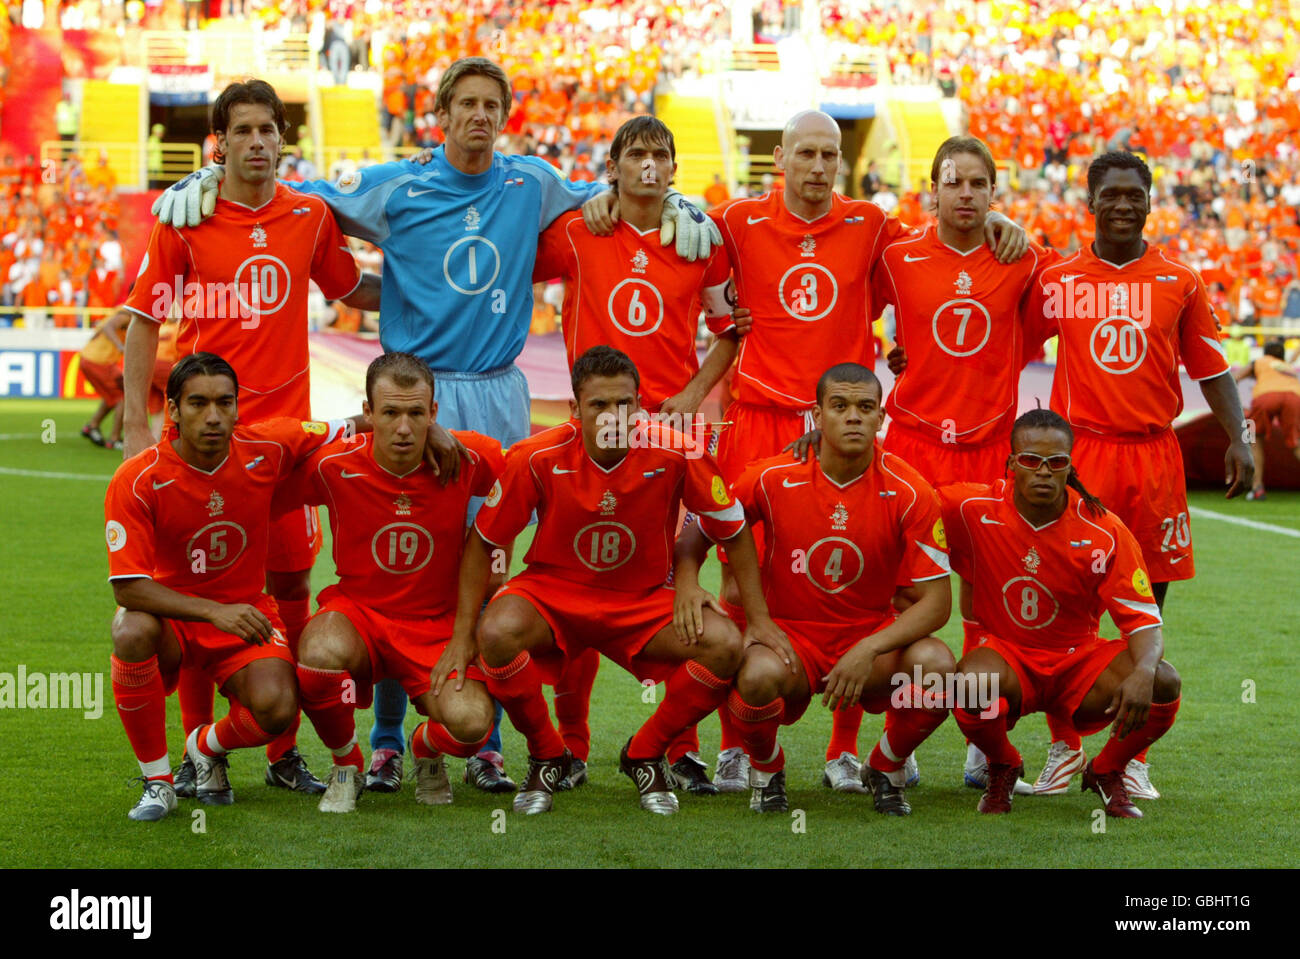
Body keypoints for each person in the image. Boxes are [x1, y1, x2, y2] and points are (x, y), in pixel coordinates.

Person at [151, 57, 721, 794]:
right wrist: (209, 177)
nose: (480, 116)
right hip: (416, 398)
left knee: (488, 565)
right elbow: (305, 198)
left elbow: (619, 194)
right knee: (406, 572)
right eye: (467, 105)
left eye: (493, 105)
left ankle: (483, 740)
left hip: (497, 392)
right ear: (441, 117)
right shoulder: (399, 186)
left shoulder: (534, 182)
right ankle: (386, 738)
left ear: (505, 115)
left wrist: (683, 208)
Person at [701, 110, 1025, 792]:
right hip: (759, 418)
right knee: (738, 582)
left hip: (841, 419)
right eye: (807, 154)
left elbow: (933, 257)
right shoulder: (734, 220)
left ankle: (845, 750)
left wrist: (996, 224)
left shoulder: (873, 226)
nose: (820, 167)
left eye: (830, 155)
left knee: (866, 583)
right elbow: (686, 259)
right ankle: (735, 745)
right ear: (780, 160)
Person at [119, 79, 378, 797]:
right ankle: (207, 758)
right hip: (203, 444)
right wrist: (139, 423)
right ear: (220, 143)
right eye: (244, 131)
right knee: (201, 588)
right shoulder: (187, 219)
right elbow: (144, 316)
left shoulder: (310, 215)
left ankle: (281, 751)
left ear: (282, 141)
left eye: (270, 130)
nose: (259, 142)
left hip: (285, 447)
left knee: (290, 582)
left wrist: (456, 292)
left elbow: (352, 289)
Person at [1022, 152, 1251, 800]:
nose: (1123, 204)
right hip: (1082, 458)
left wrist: (1242, 436)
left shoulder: (1180, 279)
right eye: (1111, 193)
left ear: (1151, 200)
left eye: (1135, 193)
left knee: (1146, 607)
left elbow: (1212, 368)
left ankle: (1130, 752)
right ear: (1089, 199)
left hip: (1154, 457)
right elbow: (1006, 343)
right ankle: (1065, 744)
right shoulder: (1059, 277)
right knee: (1071, 614)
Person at [454, 346, 768, 815]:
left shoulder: (677, 450)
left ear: (640, 405)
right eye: (598, 404)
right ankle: (546, 754)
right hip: (553, 595)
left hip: (640, 600)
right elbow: (483, 541)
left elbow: (734, 529)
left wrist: (758, 621)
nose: (613, 415)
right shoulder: (535, 456)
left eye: (624, 403)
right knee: (497, 631)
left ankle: (645, 753)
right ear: (575, 409)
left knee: (725, 644)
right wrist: (462, 637)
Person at [531, 115, 743, 794]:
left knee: (669, 573)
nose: (648, 166)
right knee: (575, 581)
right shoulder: (578, 230)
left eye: (660, 155)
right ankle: (570, 745)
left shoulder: (701, 242)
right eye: (636, 155)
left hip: (666, 435)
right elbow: (505, 256)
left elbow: (730, 331)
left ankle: (674, 747)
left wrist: (692, 394)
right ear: (614, 166)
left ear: (674, 169)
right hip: (589, 435)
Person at [675, 363, 953, 815]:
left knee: (938, 666)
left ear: (881, 419)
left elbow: (939, 603)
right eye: (839, 406)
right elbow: (698, 529)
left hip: (869, 637)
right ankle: (767, 769)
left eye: (866, 408)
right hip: (793, 641)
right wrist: (687, 582)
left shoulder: (910, 490)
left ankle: (885, 765)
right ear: (817, 415)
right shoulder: (770, 476)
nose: (853, 417)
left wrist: (868, 648)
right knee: (757, 675)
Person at [105, 353, 364, 820]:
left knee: (278, 708)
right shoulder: (139, 478)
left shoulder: (268, 446)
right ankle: (158, 782)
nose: (213, 416)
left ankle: (203, 747)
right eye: (198, 403)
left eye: (225, 403)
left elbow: (349, 425)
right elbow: (128, 589)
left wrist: (428, 429)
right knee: (129, 629)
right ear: (174, 409)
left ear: (238, 407)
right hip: (175, 620)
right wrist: (210, 611)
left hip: (245, 609)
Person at [870, 135, 1051, 792]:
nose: (968, 194)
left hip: (989, 449)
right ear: (935, 189)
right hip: (913, 447)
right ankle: (863, 748)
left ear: (993, 192)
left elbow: (1066, 291)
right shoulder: (897, 255)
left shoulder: (1022, 258)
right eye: (956, 182)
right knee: (898, 598)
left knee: (988, 602)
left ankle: (985, 741)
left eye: (980, 183)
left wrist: (1019, 231)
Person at [941, 409, 1181, 818]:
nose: (1043, 472)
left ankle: (1106, 770)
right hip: (1008, 656)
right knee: (969, 683)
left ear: (1070, 466)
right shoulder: (970, 507)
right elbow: (899, 494)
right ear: (1012, 463)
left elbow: (1144, 620)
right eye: (1031, 460)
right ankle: (1003, 763)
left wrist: (1142, 671)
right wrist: (822, 448)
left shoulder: (1103, 529)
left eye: (1056, 462)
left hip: (1078, 665)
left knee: (1162, 678)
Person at [292, 352, 503, 812]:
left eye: (415, 413)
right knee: (316, 653)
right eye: (389, 413)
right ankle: (346, 764)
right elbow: (256, 475)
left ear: (434, 413)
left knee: (472, 726)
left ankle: (425, 750)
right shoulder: (332, 465)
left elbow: (539, 477)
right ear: (367, 414)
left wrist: (499, 557)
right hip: (360, 616)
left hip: (435, 625)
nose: (403, 428)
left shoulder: (466, 458)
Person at [1234, 338, 1300, 500]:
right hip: (1294, 397)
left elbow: (1234, 378)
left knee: (1254, 438)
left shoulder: (1259, 361)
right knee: (1296, 442)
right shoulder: (1287, 367)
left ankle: (1257, 488)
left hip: (1266, 396)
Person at [79, 311, 131, 449]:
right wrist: (120, 346)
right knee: (124, 396)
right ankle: (114, 439)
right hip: (99, 360)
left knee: (114, 395)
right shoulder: (127, 313)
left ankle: (92, 425)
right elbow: (108, 327)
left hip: (90, 358)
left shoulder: (121, 311)